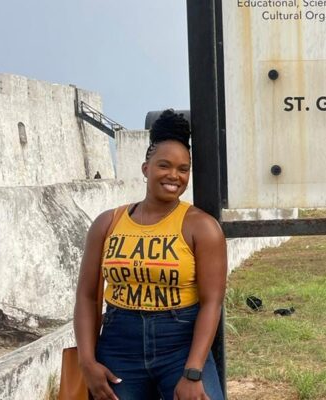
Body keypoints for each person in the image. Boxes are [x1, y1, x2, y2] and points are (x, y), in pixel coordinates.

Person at [73, 109, 227, 400]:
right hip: (119, 343)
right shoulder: (108, 223)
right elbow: (87, 296)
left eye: (183, 169)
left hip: (180, 344)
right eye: (164, 166)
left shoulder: (201, 227)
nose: (174, 176)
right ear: (146, 168)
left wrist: (193, 372)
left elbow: (211, 303)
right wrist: (87, 362)